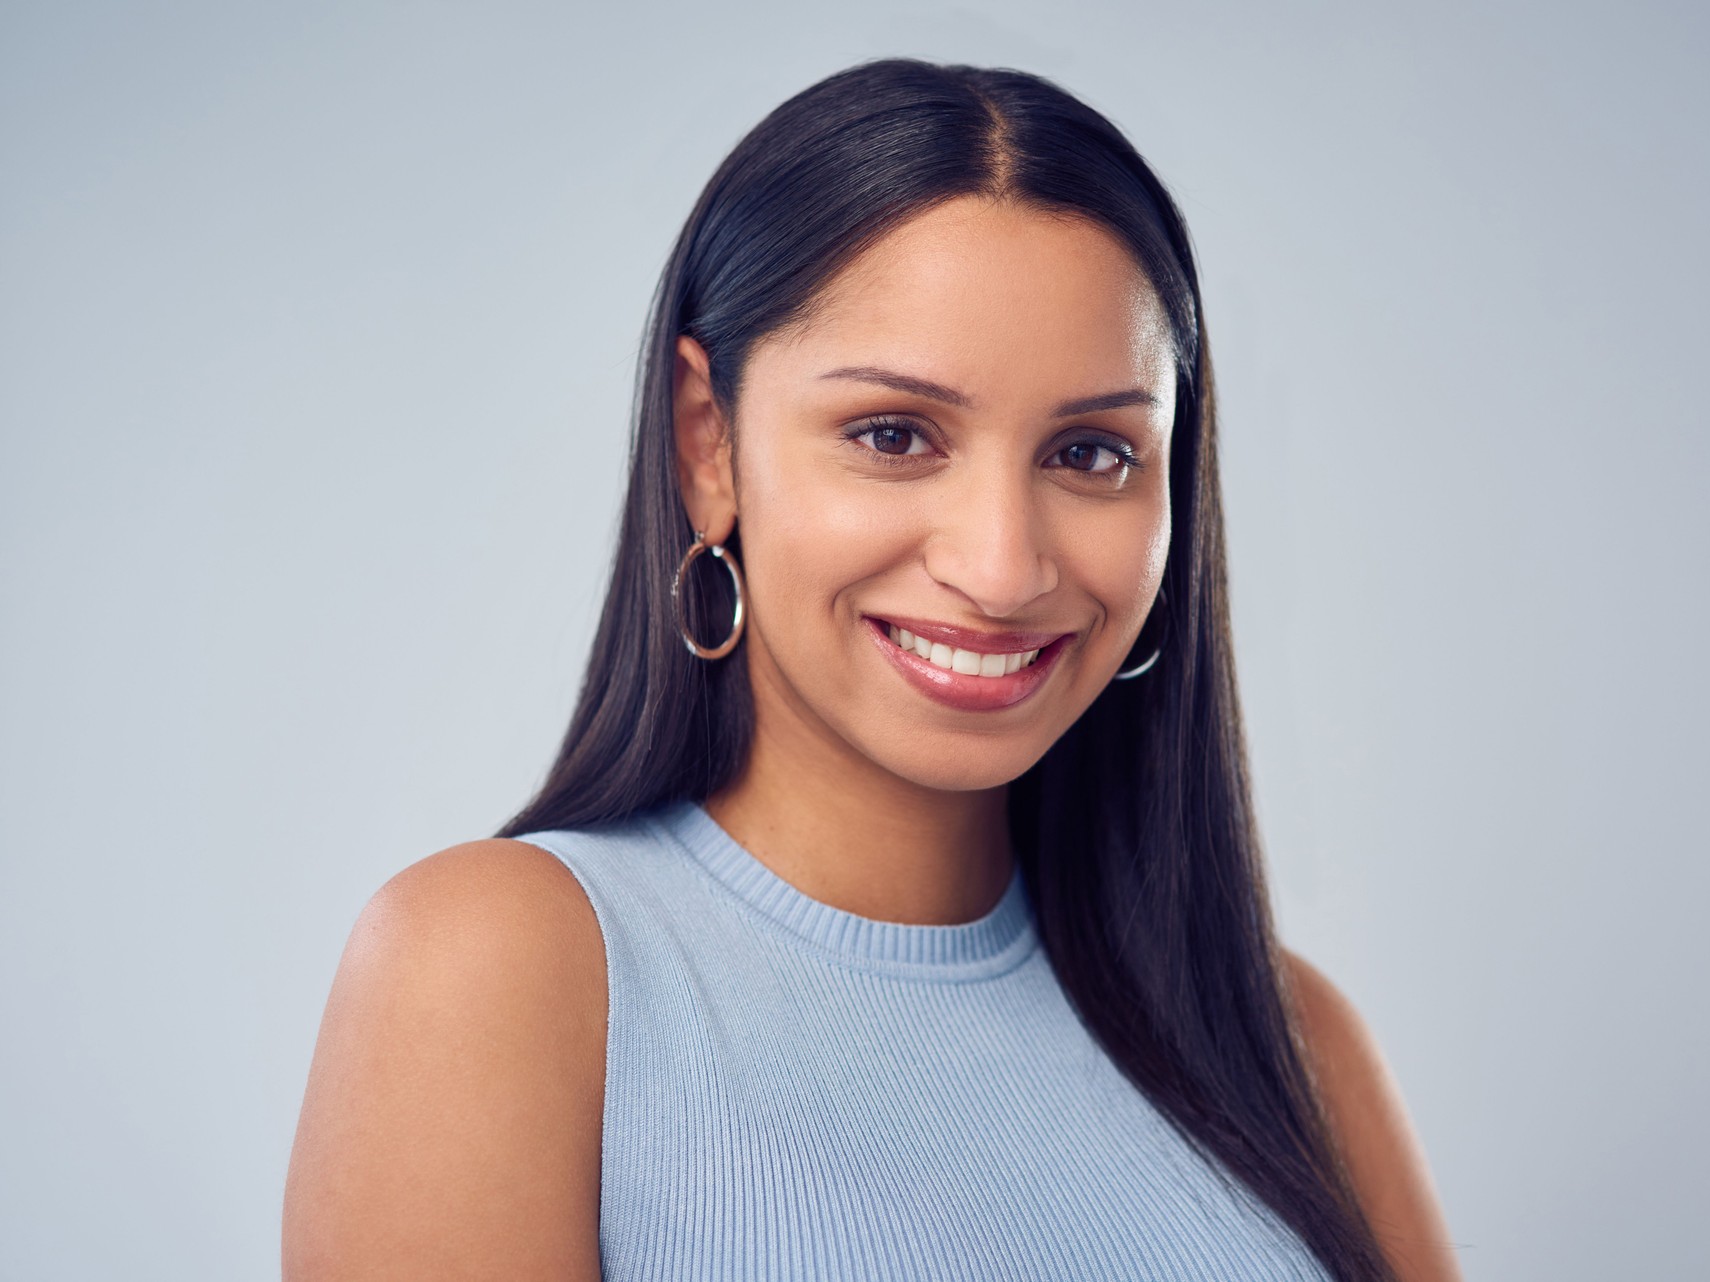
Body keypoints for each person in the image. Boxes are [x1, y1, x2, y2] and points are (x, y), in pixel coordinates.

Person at [282, 57, 1463, 1282]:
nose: (1004, 567)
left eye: (1092, 453)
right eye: (894, 435)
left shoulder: (1291, 1044)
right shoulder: (504, 972)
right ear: (709, 446)